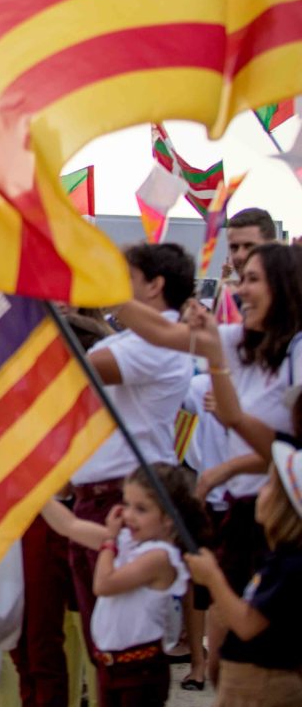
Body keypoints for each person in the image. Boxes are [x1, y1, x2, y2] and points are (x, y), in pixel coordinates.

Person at [112, 241, 301, 681]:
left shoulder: (294, 353)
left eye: (253, 279)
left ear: (284, 287)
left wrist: (232, 462)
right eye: (241, 278)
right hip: (241, 511)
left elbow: (283, 444)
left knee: (263, 659)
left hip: (283, 518)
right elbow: (161, 333)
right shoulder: (240, 341)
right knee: (224, 660)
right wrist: (112, 290)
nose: (240, 290)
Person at [63, 242, 195, 657]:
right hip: (100, 493)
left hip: (123, 497)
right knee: (101, 638)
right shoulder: (131, 338)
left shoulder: (161, 341)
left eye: (126, 277)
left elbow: (76, 372)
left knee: (118, 647)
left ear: (155, 286)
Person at [41, 464, 203, 707]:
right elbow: (70, 526)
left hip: (140, 671)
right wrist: (35, 495)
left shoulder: (161, 557)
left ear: (169, 518)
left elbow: (104, 584)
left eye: (141, 509)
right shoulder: (125, 543)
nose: (128, 515)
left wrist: (108, 543)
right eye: (127, 504)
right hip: (111, 666)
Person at [185, 442, 302, 707]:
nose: (261, 491)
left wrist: (213, 578)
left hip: (264, 690)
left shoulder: (290, 567)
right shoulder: (277, 560)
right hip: (248, 686)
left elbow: (247, 624)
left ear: (286, 507)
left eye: (270, 486)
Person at [224, 207, 276, 282]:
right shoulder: (227, 292)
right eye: (234, 248)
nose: (240, 255)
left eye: (249, 246)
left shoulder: (293, 291)